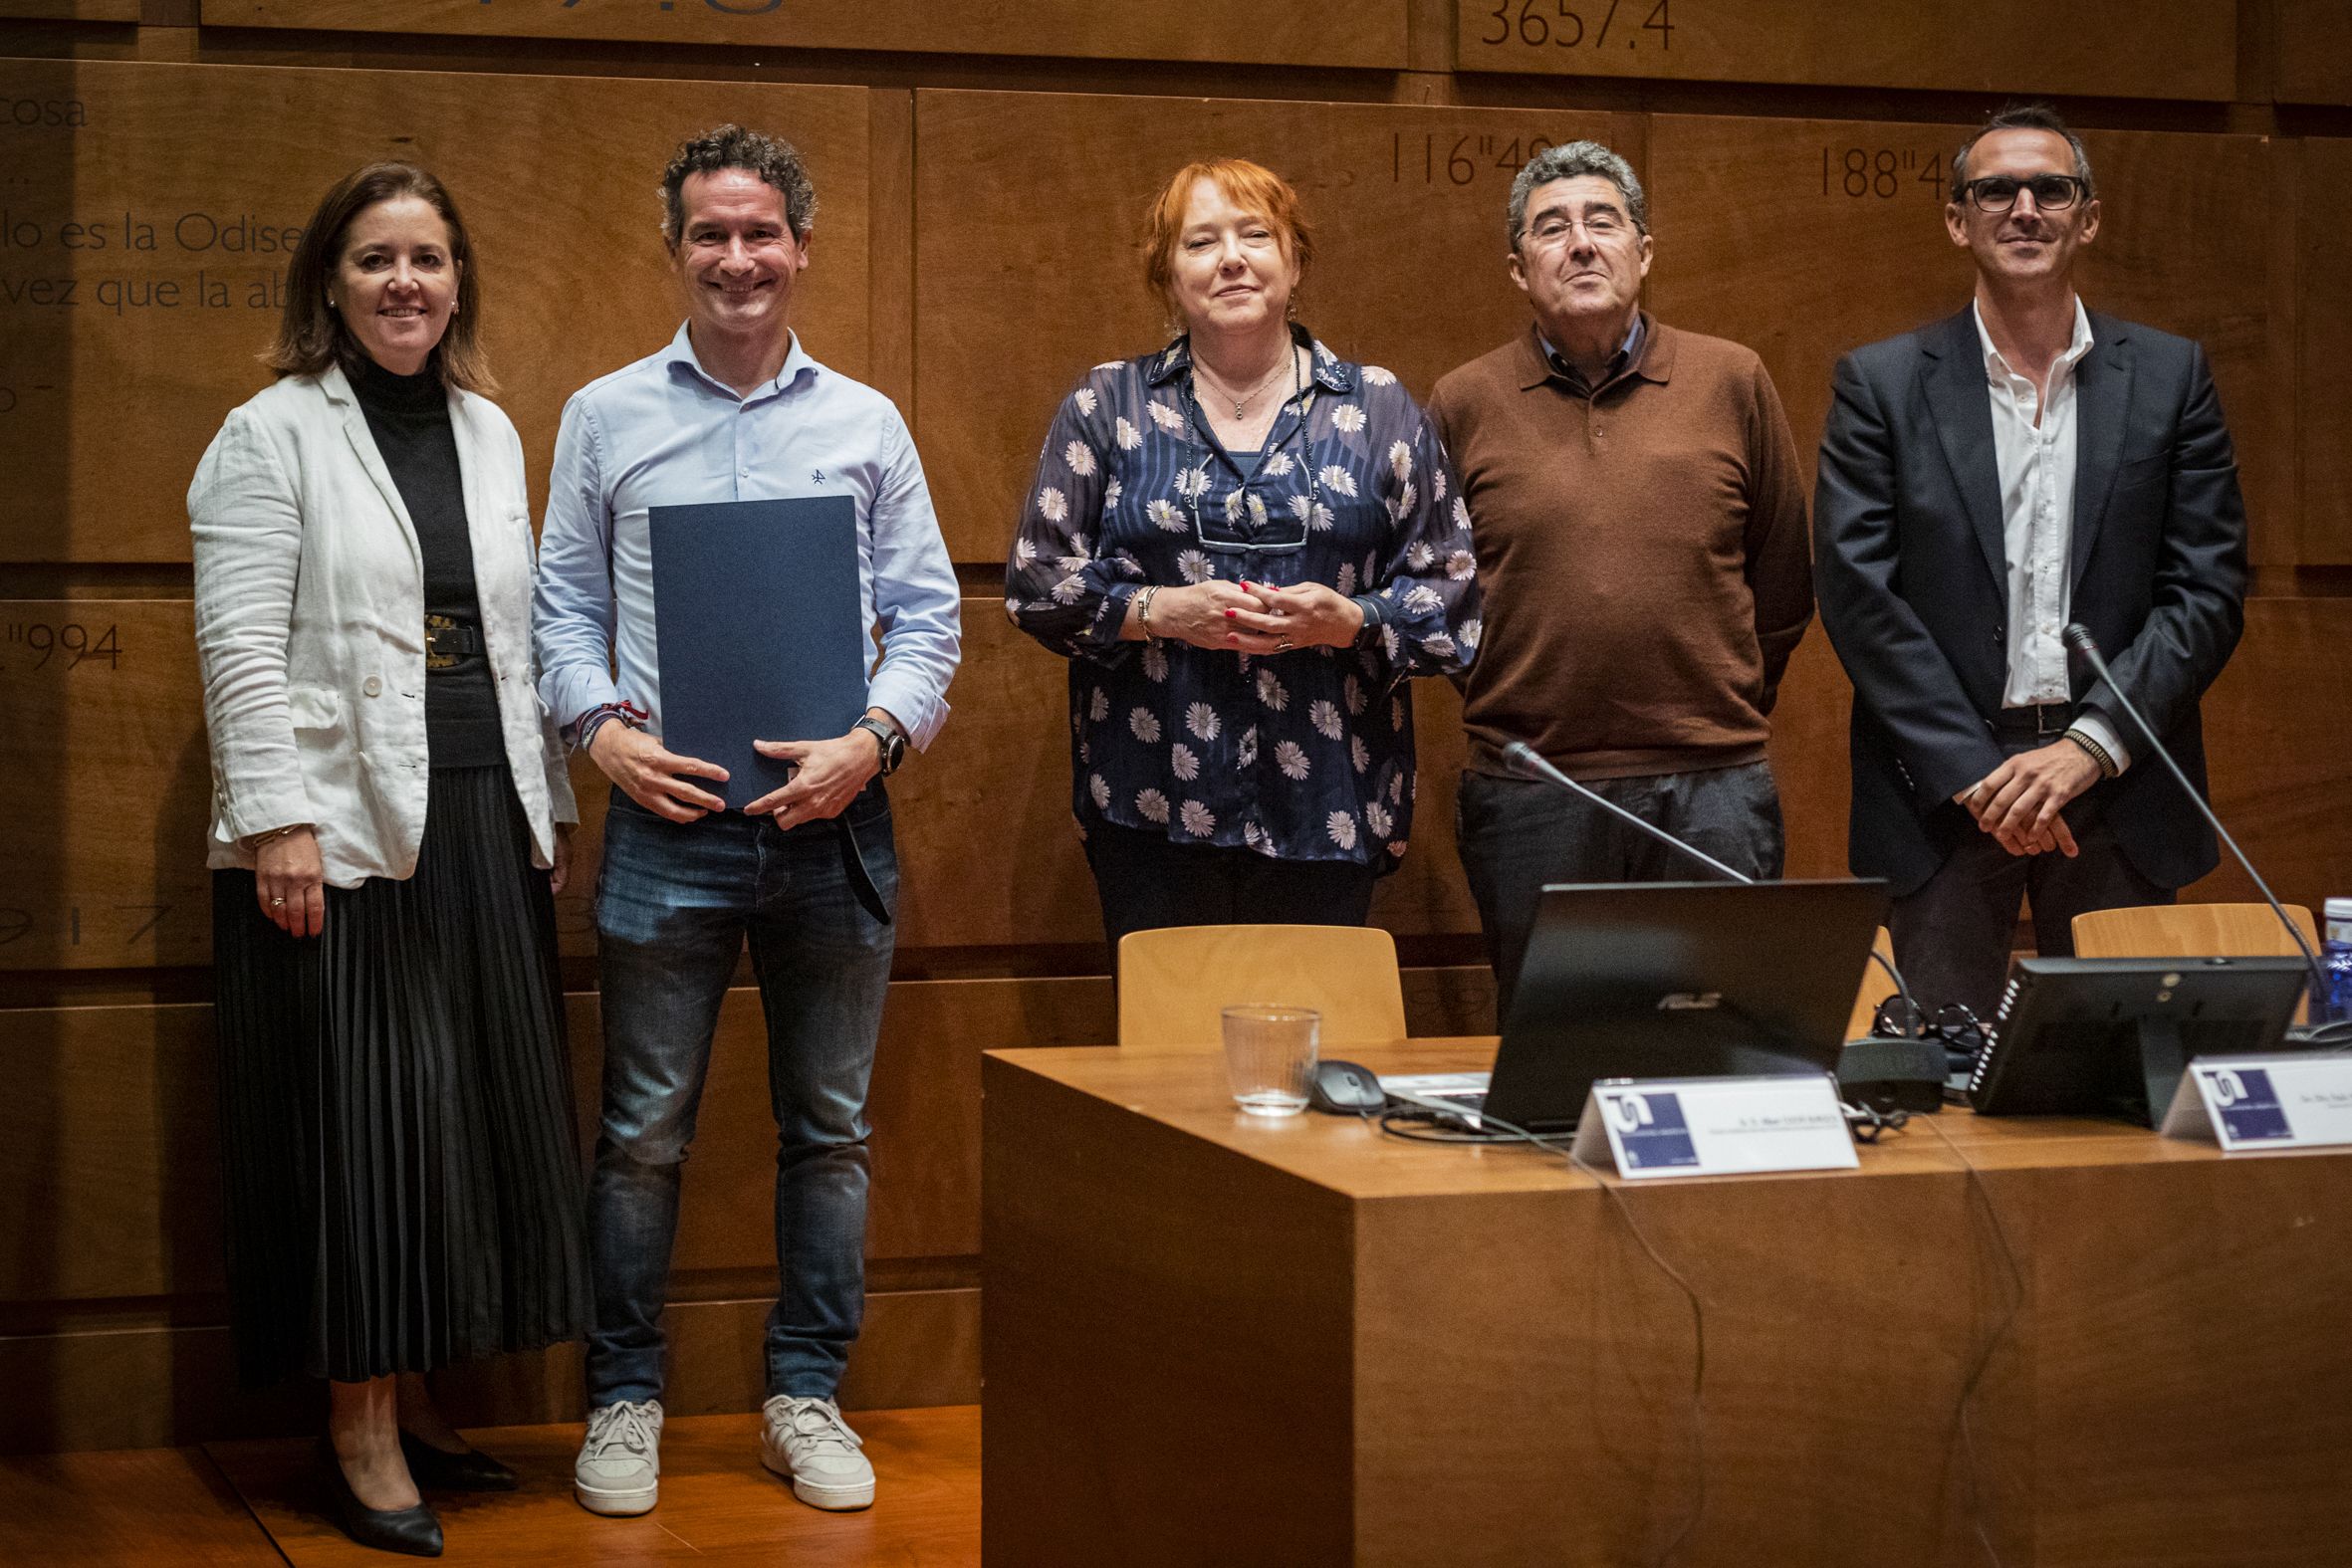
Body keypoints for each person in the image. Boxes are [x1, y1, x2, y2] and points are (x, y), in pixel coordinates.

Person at [534, 124, 960, 1520]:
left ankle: (804, 1394)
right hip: (667, 825)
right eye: (710, 234)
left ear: (801, 247)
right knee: (641, 1133)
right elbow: (561, 611)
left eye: (760, 231)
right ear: (674, 250)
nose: (737, 257)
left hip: (833, 829)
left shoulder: (866, 423)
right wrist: (602, 734)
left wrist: (871, 744)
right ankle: (624, 1397)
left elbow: (930, 622)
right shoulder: (604, 415)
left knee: (828, 1130)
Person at [189, 162, 588, 1558]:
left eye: (427, 257)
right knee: (362, 1126)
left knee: (458, 1119)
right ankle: (354, 1425)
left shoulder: (488, 428)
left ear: (458, 279)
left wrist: (546, 805)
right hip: (341, 829)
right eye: (375, 259)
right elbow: (239, 644)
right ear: (330, 282)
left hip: (479, 808)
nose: (405, 282)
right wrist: (277, 819)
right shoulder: (268, 432)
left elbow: (514, 638)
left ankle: (413, 1397)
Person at [1814, 105, 2248, 1022]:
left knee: (2126, 1073)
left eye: (2051, 190)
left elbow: (2207, 589)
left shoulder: (2171, 376)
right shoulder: (1881, 384)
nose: (2024, 209)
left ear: (2088, 217)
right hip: (1945, 793)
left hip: (2119, 781)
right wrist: (1979, 774)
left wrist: (2090, 746)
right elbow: (1859, 594)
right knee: (1938, 1073)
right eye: (1995, 191)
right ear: (1957, 219)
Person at [1005, 157, 1478, 955]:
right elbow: (1035, 580)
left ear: (1295, 261)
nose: (1231, 258)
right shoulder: (1106, 404)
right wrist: (1158, 611)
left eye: (1255, 235)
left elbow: (1453, 594)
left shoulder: (1379, 407)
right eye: (1200, 242)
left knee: (1310, 1035)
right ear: (1168, 275)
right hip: (1151, 809)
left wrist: (1354, 620)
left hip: (1329, 806)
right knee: (1166, 1036)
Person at [1429, 141, 1813, 1013]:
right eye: (1551, 228)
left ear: (1643, 251)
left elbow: (1785, 579)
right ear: (1519, 270)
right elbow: (1437, 590)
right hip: (1532, 791)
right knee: (1553, 1054)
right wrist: (1517, 691)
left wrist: (1714, 699)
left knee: (1725, 1047)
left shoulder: (1733, 379)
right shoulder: (1463, 401)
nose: (1580, 243)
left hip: (1713, 788)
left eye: (1602, 222)